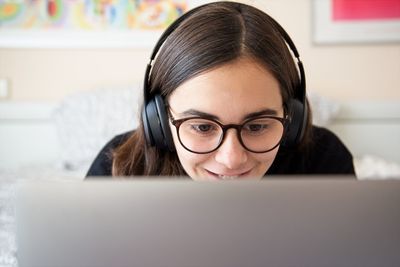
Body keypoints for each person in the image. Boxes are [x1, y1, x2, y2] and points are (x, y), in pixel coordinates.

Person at [86, 1, 355, 180]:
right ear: (159, 122)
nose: (231, 159)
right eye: (202, 127)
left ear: (291, 118)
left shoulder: (325, 162)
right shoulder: (118, 170)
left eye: (258, 126)